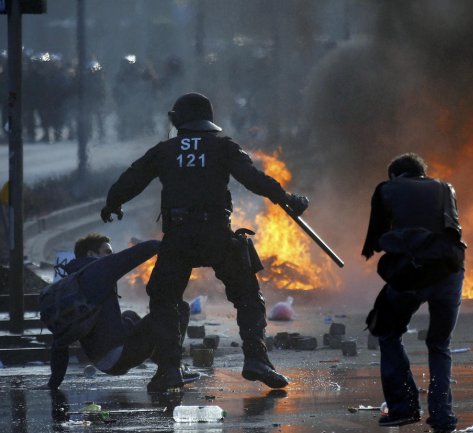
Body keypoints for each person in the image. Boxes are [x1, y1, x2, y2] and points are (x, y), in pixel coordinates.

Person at [100, 92, 309, 393]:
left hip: (179, 236)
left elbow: (133, 178)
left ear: (178, 120)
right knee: (247, 295)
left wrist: (113, 203)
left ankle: (169, 369)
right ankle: (256, 360)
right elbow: (253, 179)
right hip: (216, 233)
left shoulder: (165, 150)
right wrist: (288, 200)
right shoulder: (223, 147)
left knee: (164, 299)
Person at [362, 153, 465, 433]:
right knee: (440, 344)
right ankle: (443, 418)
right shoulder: (446, 187)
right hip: (450, 272)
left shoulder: (386, 189)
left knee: (388, 332)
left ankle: (404, 408)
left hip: (413, 273)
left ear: (396, 175)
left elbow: (375, 239)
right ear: (421, 173)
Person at [45, 233, 199, 390]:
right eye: (107, 252)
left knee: (129, 316)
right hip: (119, 355)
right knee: (178, 309)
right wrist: (173, 246)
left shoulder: (72, 281)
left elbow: (60, 341)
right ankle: (171, 370)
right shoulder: (99, 269)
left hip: (102, 361)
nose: (111, 256)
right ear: (91, 254)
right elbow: (143, 251)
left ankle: (164, 369)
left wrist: (54, 382)